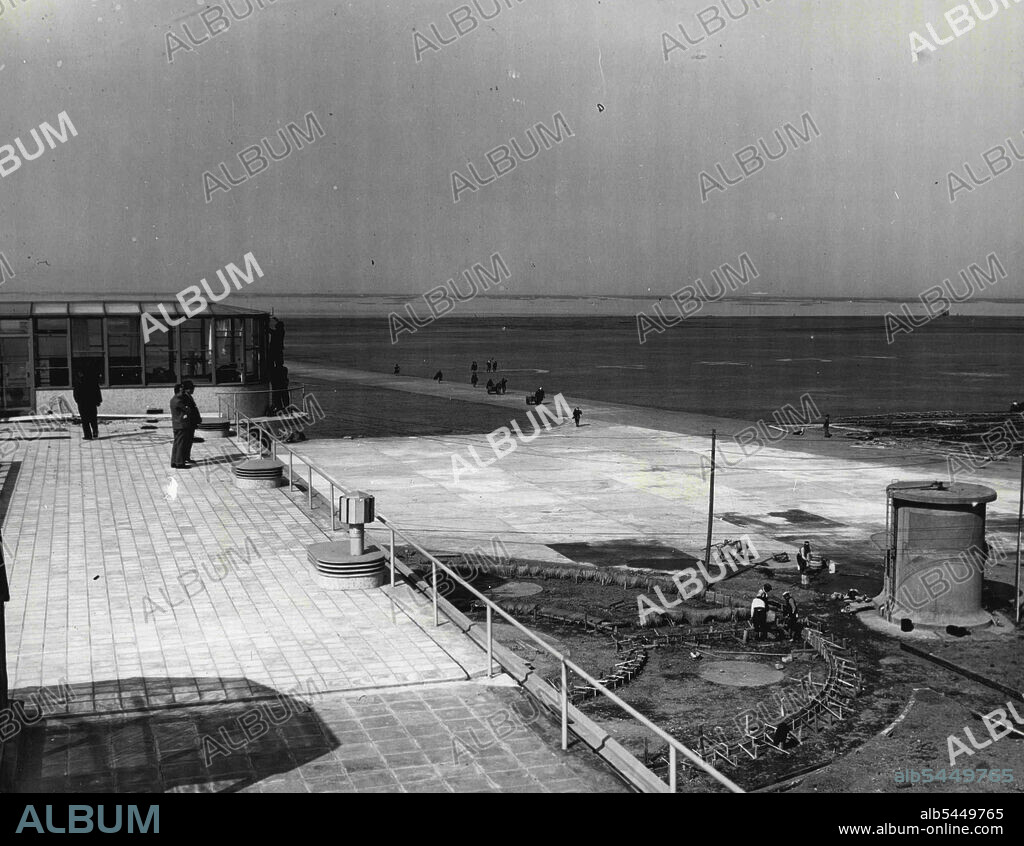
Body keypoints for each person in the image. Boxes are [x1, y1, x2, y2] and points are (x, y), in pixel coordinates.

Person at [73, 370, 101, 441]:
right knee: (93, 418)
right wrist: (98, 401)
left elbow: (76, 393)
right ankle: (95, 432)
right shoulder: (92, 381)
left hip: (82, 403)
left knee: (85, 420)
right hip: (91, 402)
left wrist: (78, 401)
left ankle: (88, 435)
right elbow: (97, 391)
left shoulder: (78, 382)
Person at [180, 380, 202, 466]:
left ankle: (187, 457)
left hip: (192, 422)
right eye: (192, 388)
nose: (193, 390)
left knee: (189, 440)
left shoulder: (189, 396)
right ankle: (184, 457)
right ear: (188, 389)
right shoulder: (184, 397)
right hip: (188, 422)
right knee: (186, 440)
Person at [170, 384, 190, 469]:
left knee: (176, 444)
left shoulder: (173, 399)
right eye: (182, 391)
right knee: (180, 444)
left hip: (176, 424)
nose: (183, 393)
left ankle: (174, 461)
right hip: (181, 424)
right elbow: (187, 410)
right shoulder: (178, 401)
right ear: (177, 391)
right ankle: (180, 463)